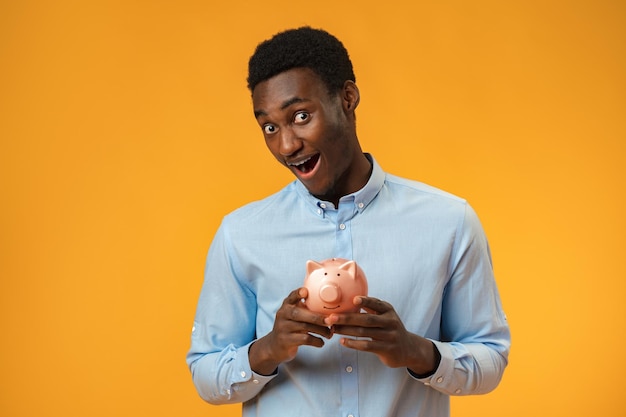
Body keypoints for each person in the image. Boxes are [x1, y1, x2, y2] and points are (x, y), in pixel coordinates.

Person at [187, 27, 511, 417]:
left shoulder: (449, 221)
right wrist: (268, 349)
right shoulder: (241, 234)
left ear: (347, 98)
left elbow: (490, 357)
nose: (286, 145)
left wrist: (417, 351)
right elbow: (205, 373)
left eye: (301, 116)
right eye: (270, 127)